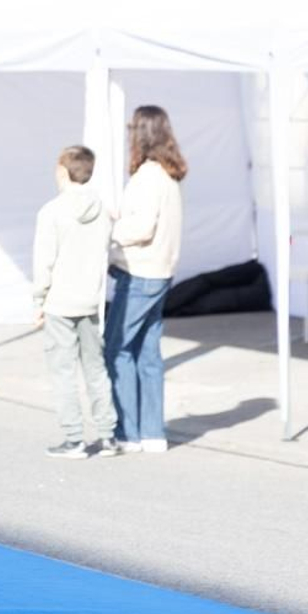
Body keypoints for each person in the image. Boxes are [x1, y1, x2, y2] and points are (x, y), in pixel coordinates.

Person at [105, 105, 185, 455]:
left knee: (117, 349)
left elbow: (140, 227)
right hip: (161, 272)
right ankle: (153, 432)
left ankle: (129, 432)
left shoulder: (147, 177)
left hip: (139, 273)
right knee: (148, 353)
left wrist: (112, 226)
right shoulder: (167, 176)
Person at [33, 145, 118, 459]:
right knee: (96, 369)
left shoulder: (51, 211)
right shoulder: (103, 212)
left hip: (60, 302)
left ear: (63, 170)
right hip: (91, 301)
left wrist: (38, 299)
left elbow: (44, 262)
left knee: (63, 371)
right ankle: (108, 435)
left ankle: (74, 439)